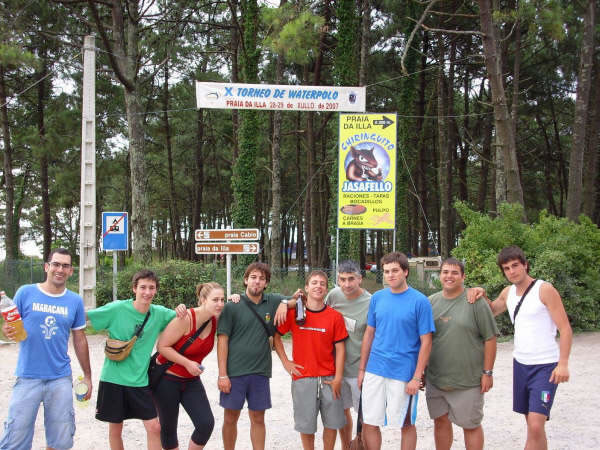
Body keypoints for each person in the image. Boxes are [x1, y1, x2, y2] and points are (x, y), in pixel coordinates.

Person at [472, 245, 572, 450]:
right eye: (507, 268)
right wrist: (481, 294)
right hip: (521, 364)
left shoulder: (544, 289)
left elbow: (565, 329)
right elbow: (491, 311)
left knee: (535, 426)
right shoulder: (508, 293)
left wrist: (563, 364)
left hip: (546, 366)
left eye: (515, 265)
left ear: (525, 265)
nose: (512, 271)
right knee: (534, 426)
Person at [0, 248, 92, 450]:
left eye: (65, 266)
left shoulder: (75, 301)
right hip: (27, 376)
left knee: (60, 441)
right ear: (46, 267)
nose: (60, 269)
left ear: (71, 271)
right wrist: (7, 331)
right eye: (56, 264)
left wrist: (87, 376)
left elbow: (79, 339)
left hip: (60, 378)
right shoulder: (25, 292)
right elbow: (11, 326)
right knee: (15, 438)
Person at [87, 269, 185, 450]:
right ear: (134, 288)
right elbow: (86, 317)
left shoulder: (159, 313)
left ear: (156, 290)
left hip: (139, 380)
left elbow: (188, 318)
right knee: (115, 428)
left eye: (151, 288)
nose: (147, 292)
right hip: (113, 377)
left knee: (154, 427)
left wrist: (181, 308)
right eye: (143, 287)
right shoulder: (117, 308)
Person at [217, 262, 300, 450]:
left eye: (262, 278)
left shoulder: (273, 300)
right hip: (234, 372)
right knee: (230, 417)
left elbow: (299, 298)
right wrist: (222, 374)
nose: (257, 281)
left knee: (258, 418)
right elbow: (222, 341)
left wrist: (285, 303)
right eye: (253, 277)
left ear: (266, 283)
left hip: (260, 371)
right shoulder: (232, 306)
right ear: (246, 280)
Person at [357, 251, 435, 450]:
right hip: (375, 369)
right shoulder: (377, 298)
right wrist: (362, 370)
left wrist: (417, 376)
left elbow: (426, 341)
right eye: (386, 271)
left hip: (403, 372)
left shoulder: (420, 301)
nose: (390, 275)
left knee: (406, 423)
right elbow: (369, 333)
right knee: (369, 421)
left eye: (395, 271)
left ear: (405, 272)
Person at [426, 258, 498, 450]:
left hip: (468, 380)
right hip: (436, 379)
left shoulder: (475, 301)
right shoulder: (430, 302)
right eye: (445, 272)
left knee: (471, 426)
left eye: (454, 272)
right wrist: (421, 371)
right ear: (440, 275)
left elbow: (490, 338)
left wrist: (488, 372)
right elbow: (424, 340)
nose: (449, 276)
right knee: (440, 421)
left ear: (463, 276)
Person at [274, 270, 349, 450]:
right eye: (314, 283)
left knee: (332, 424)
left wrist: (338, 378)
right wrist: (286, 362)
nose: (318, 286)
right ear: (306, 288)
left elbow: (340, 349)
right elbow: (276, 336)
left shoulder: (335, 316)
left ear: (326, 289)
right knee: (306, 426)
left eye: (322, 283)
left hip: (329, 378)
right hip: (303, 378)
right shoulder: (295, 313)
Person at [152, 282, 225, 450]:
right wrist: (187, 363)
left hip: (191, 380)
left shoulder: (214, 319)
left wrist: (236, 298)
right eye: (215, 300)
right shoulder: (186, 318)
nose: (220, 304)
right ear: (203, 300)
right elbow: (162, 346)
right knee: (169, 430)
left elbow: (239, 309)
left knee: (205, 423)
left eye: (222, 299)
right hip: (167, 380)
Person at [324, 260, 371, 449]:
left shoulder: (370, 302)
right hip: (336, 369)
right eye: (342, 279)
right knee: (343, 413)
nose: (347, 284)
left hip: (359, 369)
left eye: (351, 279)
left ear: (360, 279)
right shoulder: (333, 296)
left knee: (366, 417)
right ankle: (346, 446)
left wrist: (366, 369)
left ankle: (363, 445)